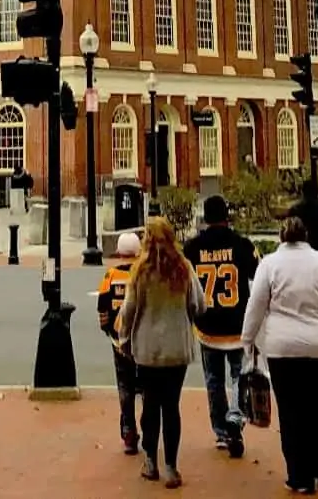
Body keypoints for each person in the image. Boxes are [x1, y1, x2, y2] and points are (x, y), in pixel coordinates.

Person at [241, 217, 318, 495]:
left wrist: (247, 341)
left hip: (284, 350)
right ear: (306, 235)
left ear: (281, 237)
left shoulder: (269, 264)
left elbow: (256, 306)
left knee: (291, 412)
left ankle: (300, 477)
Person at [119, 217, 205, 488]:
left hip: (147, 349)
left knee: (150, 406)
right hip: (176, 349)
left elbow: (129, 310)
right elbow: (199, 305)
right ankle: (171, 466)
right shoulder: (184, 268)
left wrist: (124, 340)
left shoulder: (140, 271)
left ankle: (150, 462)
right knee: (172, 407)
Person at [183, 195, 257, 459]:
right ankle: (235, 418)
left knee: (213, 380)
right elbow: (257, 278)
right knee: (240, 376)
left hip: (208, 326)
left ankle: (221, 431)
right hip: (237, 324)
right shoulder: (242, 245)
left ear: (205, 217)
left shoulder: (192, 248)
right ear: (227, 216)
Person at [94, 232, 143, 455]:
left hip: (118, 341)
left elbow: (102, 308)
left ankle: (128, 431)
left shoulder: (110, 276)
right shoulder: (143, 274)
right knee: (146, 388)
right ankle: (147, 427)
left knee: (125, 388)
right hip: (142, 341)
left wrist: (108, 331)